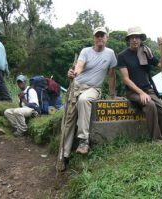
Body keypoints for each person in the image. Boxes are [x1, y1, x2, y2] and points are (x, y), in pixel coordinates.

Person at [59, 27, 117, 170]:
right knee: (68, 120)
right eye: (97, 36)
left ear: (106, 38)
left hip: (93, 89)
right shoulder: (85, 51)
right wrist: (74, 73)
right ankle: (63, 156)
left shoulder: (110, 54)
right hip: (77, 86)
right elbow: (79, 66)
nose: (100, 38)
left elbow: (111, 74)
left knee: (84, 100)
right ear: (94, 38)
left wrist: (112, 95)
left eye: (102, 35)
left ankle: (84, 141)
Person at [117, 26, 162, 143]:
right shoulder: (122, 56)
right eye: (132, 38)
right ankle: (156, 140)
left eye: (137, 37)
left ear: (141, 39)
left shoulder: (145, 52)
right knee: (150, 105)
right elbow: (126, 79)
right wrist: (140, 93)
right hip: (133, 92)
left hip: (149, 90)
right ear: (128, 40)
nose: (134, 40)